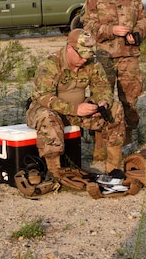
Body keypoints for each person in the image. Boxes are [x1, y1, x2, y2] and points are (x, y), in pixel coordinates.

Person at [26, 29, 126, 177]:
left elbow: (102, 87)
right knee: (47, 116)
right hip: (49, 110)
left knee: (115, 108)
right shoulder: (51, 63)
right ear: (69, 48)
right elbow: (43, 96)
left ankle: (113, 167)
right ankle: (55, 172)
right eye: (81, 55)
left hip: (79, 111)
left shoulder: (91, 62)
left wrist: (102, 102)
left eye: (88, 55)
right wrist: (74, 109)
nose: (84, 60)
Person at [81, 0, 146, 154]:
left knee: (130, 100)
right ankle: (101, 146)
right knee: (102, 100)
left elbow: (143, 20)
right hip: (104, 57)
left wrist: (136, 34)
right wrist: (111, 30)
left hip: (129, 55)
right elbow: (88, 25)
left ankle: (126, 142)